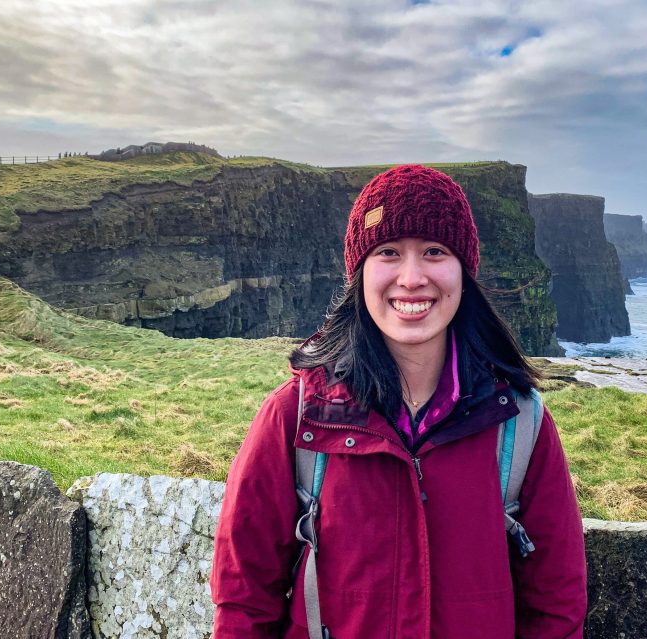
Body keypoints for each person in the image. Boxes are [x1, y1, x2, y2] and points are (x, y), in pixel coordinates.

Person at [211, 164, 587, 638]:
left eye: (434, 251)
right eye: (388, 252)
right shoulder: (294, 418)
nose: (411, 278)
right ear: (359, 273)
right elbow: (243, 599)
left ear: (463, 271)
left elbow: (557, 603)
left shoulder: (521, 424)